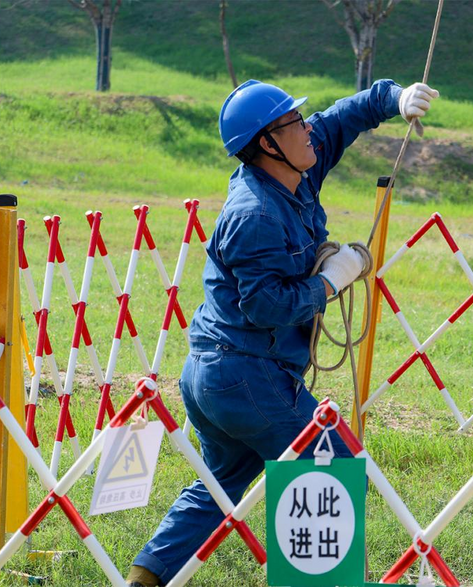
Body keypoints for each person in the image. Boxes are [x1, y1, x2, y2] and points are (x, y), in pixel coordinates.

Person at [127, 78, 437, 587]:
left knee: (221, 486)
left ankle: (146, 578)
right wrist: (332, 280)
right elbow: (268, 306)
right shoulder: (255, 215)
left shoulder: (296, 173)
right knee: (330, 468)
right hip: (247, 375)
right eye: (294, 122)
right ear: (267, 144)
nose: (308, 129)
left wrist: (394, 99)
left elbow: (343, 118)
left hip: (218, 376)